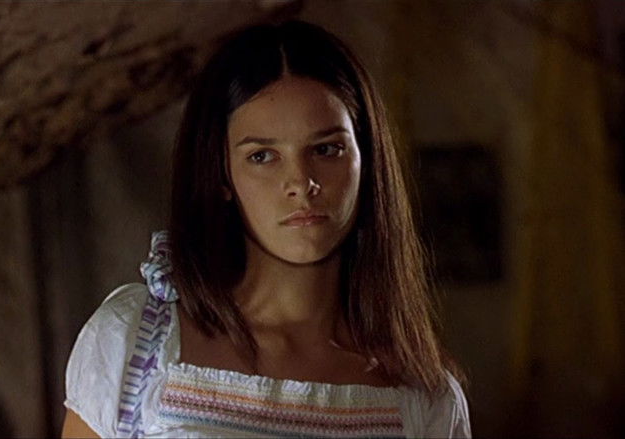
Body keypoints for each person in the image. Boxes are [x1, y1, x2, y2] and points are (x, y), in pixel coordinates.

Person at [61, 20, 471, 438]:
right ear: (221, 172)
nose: (301, 183)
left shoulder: (424, 397)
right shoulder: (135, 343)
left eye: (326, 149)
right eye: (262, 156)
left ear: (366, 161)